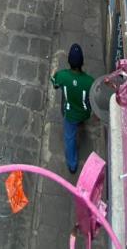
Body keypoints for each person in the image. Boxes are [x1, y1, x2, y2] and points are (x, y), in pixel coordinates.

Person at [51, 43, 94, 174]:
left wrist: (54, 74)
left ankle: (72, 164)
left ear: (69, 61)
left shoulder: (63, 76)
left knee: (70, 138)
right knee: (79, 119)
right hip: (84, 113)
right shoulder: (89, 81)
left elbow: (54, 83)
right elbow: (93, 97)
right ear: (82, 63)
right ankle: (80, 123)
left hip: (69, 114)